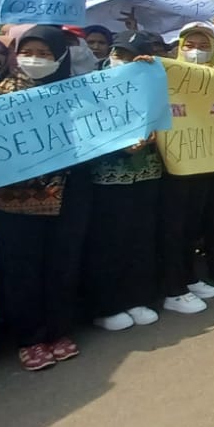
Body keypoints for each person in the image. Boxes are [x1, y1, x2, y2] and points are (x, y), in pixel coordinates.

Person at [0, 26, 92, 371]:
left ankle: (59, 330)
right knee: (23, 268)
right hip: (16, 198)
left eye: (45, 54)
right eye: (29, 51)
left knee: (63, 263)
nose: (36, 59)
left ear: (61, 57)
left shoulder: (78, 93)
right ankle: (30, 338)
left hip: (71, 191)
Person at [84, 31, 166, 332]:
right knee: (110, 240)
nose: (124, 60)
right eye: (119, 53)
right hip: (107, 175)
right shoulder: (92, 83)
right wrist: (117, 144)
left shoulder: (153, 81)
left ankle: (137, 297)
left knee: (140, 237)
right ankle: (108, 305)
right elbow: (84, 123)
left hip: (146, 172)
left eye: (132, 56)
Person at [158, 22, 214, 301]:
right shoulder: (165, 75)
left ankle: (193, 276)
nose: (196, 52)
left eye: (204, 47)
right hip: (179, 162)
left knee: (203, 221)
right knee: (178, 224)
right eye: (190, 46)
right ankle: (175, 283)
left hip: (212, 160)